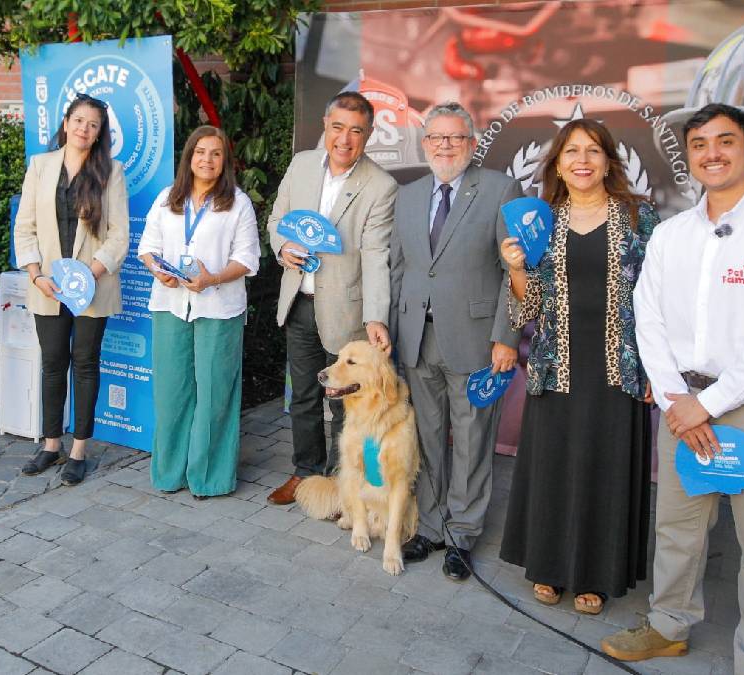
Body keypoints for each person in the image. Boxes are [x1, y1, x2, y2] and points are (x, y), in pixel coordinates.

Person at [602, 103, 744, 673]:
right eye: (699, 144)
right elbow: (648, 318)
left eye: (726, 141)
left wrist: (706, 404)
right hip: (682, 405)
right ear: (689, 157)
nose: (713, 153)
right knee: (677, 529)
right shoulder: (672, 234)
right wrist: (676, 398)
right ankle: (668, 626)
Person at [498, 118, 659, 613]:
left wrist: (658, 369)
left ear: (609, 161)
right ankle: (548, 567)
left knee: (606, 470)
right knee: (554, 467)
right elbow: (529, 306)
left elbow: (663, 298)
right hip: (557, 365)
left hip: (619, 367)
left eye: (592, 150)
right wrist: (516, 268)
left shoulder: (639, 217)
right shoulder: (541, 220)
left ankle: (596, 575)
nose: (582, 160)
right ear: (558, 164)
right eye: (571, 152)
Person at [388, 102, 521, 581]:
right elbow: (399, 268)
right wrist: (389, 332)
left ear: (472, 142)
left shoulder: (500, 189)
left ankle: (462, 534)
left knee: (471, 440)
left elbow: (515, 272)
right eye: (436, 138)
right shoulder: (408, 195)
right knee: (426, 438)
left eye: (455, 137)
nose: (445, 146)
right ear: (424, 144)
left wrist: (506, 336)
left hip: (474, 340)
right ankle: (430, 525)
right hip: (415, 339)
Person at [265, 90, 398, 506]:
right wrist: (282, 248)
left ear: (368, 134)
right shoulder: (301, 164)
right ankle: (305, 474)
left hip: (348, 313)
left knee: (346, 402)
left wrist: (375, 317)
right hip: (299, 302)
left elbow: (376, 256)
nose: (345, 139)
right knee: (303, 396)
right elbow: (277, 220)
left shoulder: (381, 186)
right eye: (338, 127)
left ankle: (346, 484)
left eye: (356, 131)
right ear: (325, 125)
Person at [12, 94, 129, 486]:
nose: (84, 129)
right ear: (66, 123)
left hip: (93, 285)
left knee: (85, 362)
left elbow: (119, 235)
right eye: (79, 121)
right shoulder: (40, 166)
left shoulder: (111, 171)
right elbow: (25, 226)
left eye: (93, 124)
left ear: (99, 133)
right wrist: (34, 273)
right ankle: (51, 445)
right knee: (52, 363)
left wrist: (86, 276)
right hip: (47, 285)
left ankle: (78, 449)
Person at [138, 125, 259, 499]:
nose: (207, 160)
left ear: (225, 161)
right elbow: (147, 247)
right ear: (189, 157)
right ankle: (170, 473)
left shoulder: (238, 203)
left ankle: (209, 477)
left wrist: (212, 279)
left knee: (214, 394)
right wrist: (158, 269)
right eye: (200, 152)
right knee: (171, 392)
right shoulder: (167, 199)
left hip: (219, 309)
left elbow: (247, 258)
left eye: (216, 153)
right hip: (170, 305)